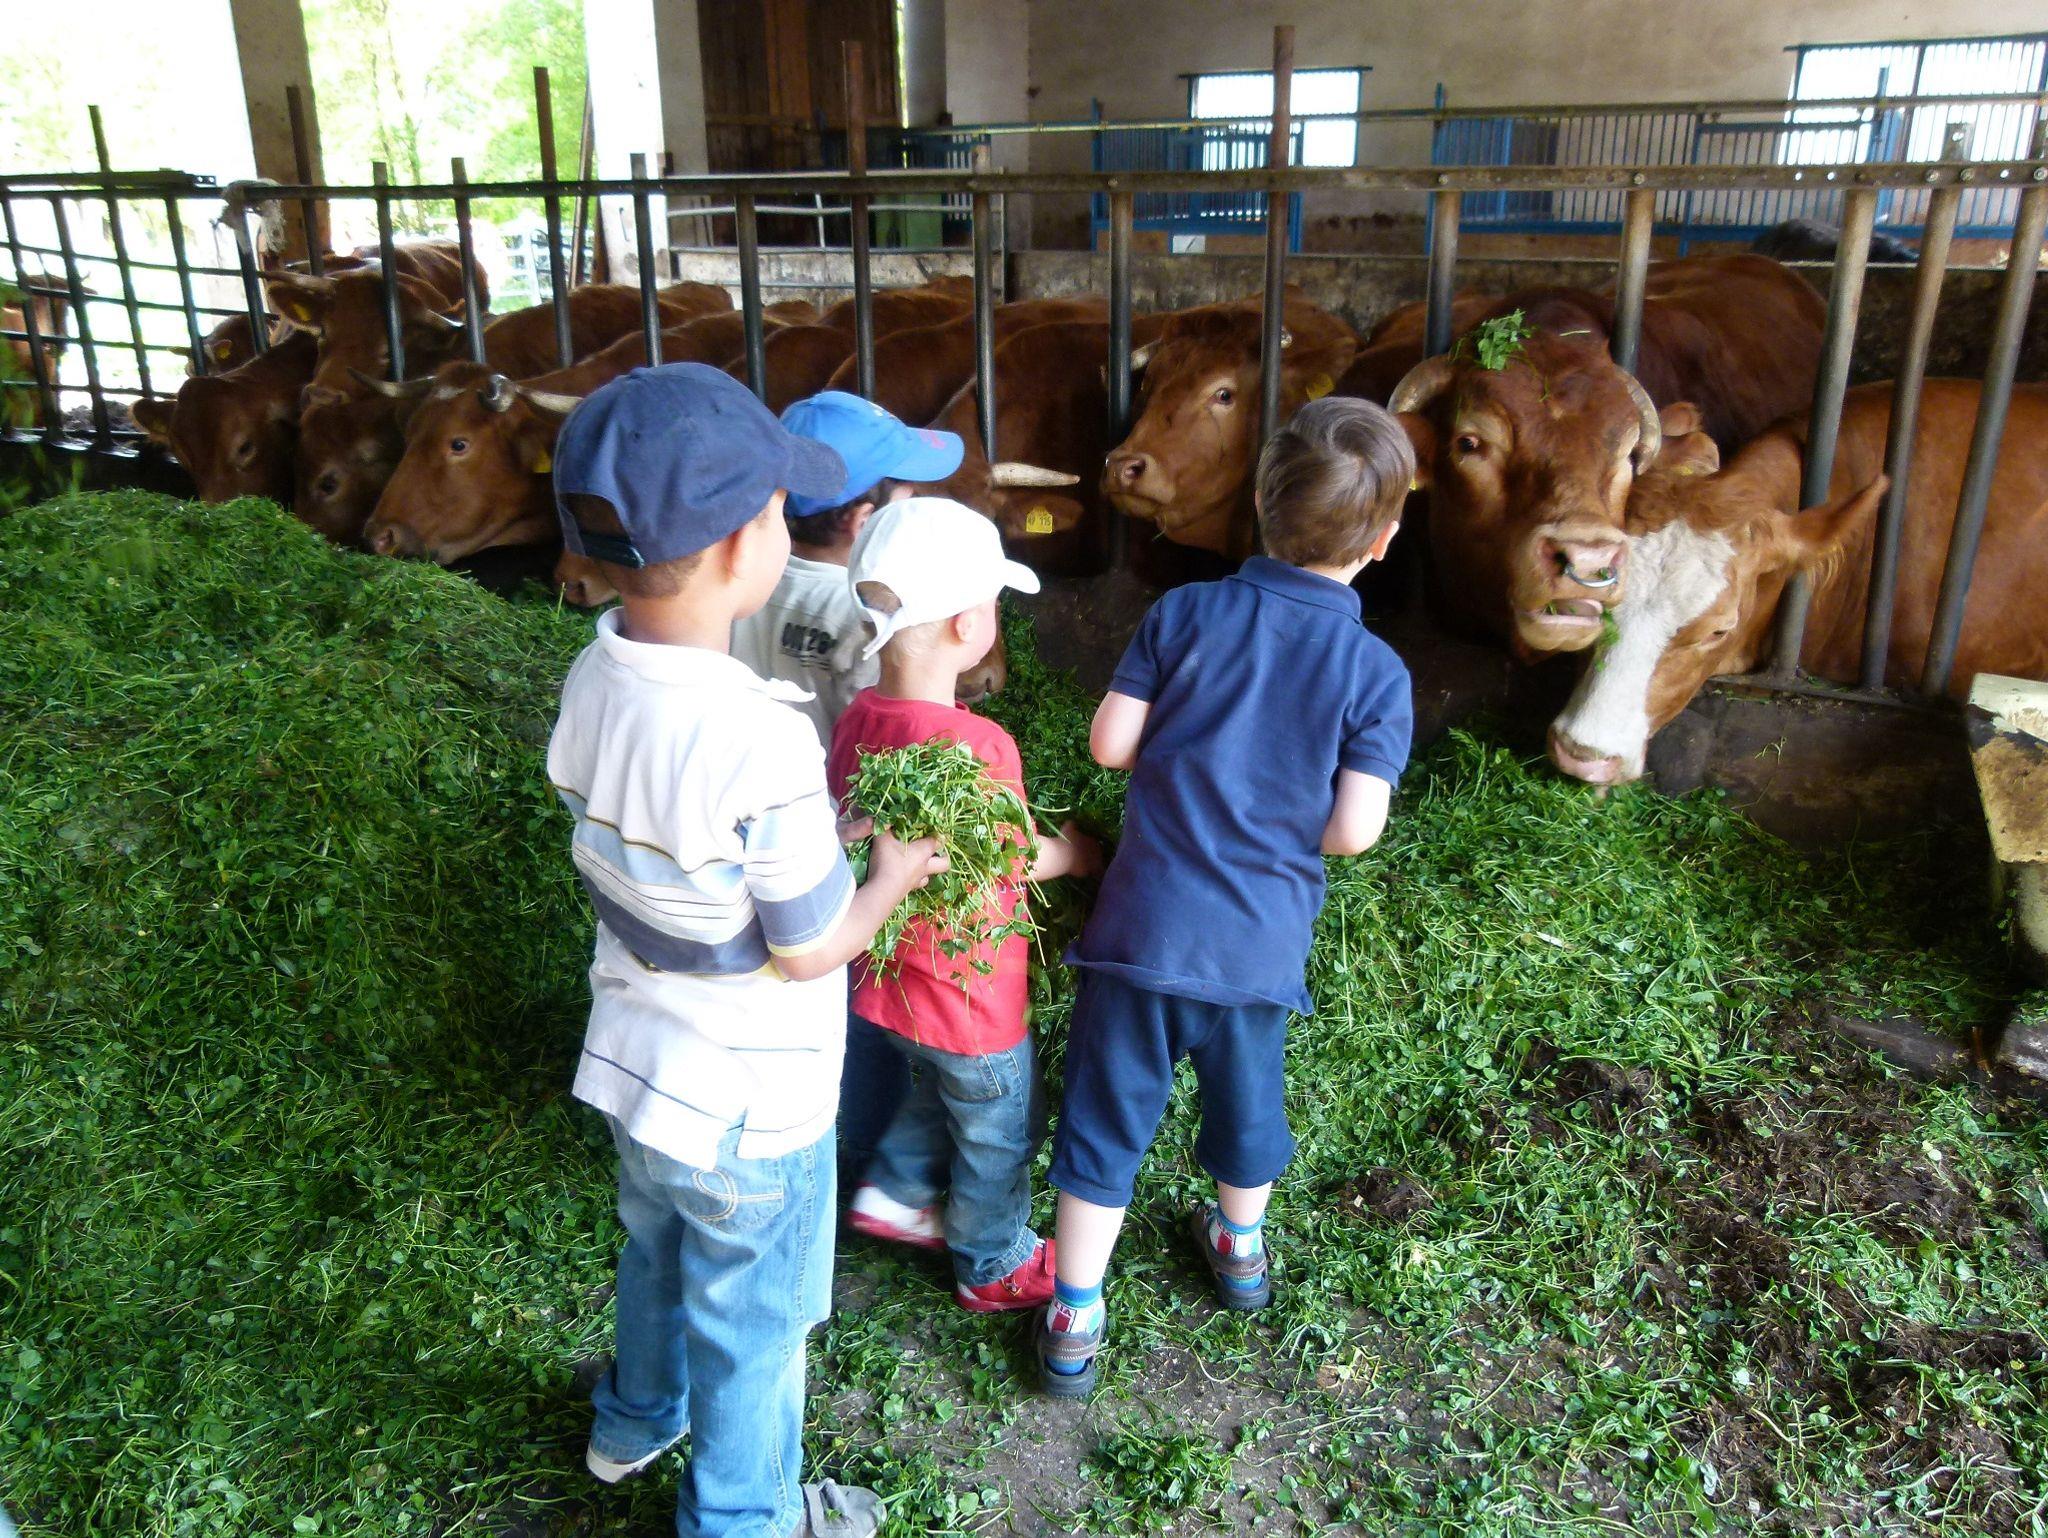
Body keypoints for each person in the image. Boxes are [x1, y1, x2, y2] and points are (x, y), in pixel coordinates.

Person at [545, 363, 949, 1537]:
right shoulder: (760, 733)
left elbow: (683, 849)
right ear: (738, 547)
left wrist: (821, 835)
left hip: (636, 1062)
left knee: (655, 1249)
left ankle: (633, 1415)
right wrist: (886, 875)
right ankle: (744, 1514)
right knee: (755, 1319)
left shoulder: (592, 674)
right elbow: (811, 946)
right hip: (751, 1104)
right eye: (778, 510)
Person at [1035, 397, 1417, 1398]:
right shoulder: (1376, 673)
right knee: (1248, 1110)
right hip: (1257, 949)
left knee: (1105, 1116)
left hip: (1141, 925)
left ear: (1257, 503)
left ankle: (1074, 1309)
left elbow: (1109, 745)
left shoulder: (1182, 613)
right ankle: (1239, 1246)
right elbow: (1354, 831)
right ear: (1383, 539)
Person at [824, 497, 1102, 1312]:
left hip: (886, 975)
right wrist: (1077, 855)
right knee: (1002, 1124)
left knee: (937, 1084)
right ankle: (992, 1260)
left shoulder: (857, 717)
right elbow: (1007, 858)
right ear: (968, 625)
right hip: (971, 994)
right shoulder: (979, 746)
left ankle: (897, 1189)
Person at [730, 391, 964, 1185]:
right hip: (839, 839)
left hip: (742, 824)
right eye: (906, 496)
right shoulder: (864, 618)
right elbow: (895, 733)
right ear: (865, 522)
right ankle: (857, 1148)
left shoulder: (746, 580)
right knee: (853, 992)